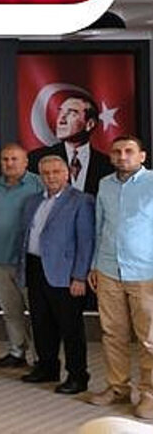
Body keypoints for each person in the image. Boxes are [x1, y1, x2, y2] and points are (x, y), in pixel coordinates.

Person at [87, 136, 153, 417]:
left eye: (129, 151)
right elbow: (99, 226)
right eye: (117, 151)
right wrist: (94, 265)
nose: (122, 156)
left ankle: (150, 394)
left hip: (145, 272)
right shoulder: (105, 184)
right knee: (113, 333)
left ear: (142, 156)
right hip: (108, 269)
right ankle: (118, 388)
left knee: (149, 338)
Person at [18, 155, 95, 395]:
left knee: (71, 328)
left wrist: (80, 276)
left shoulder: (81, 201)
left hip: (65, 274)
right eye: (46, 173)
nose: (50, 177)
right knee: (41, 323)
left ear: (67, 174)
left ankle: (77, 376)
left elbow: (86, 241)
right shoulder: (33, 201)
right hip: (35, 268)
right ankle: (47, 367)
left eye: (56, 172)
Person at [0, 143, 43, 368]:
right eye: (5, 159)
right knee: (11, 311)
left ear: (26, 162)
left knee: (37, 312)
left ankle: (41, 358)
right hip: (1, 260)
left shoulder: (37, 184)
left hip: (27, 261)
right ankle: (16, 351)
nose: (9, 163)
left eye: (14, 159)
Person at [28, 95, 114, 196]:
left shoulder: (108, 165)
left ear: (90, 124)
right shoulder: (36, 159)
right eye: (60, 111)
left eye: (71, 113)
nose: (61, 119)